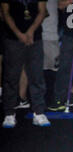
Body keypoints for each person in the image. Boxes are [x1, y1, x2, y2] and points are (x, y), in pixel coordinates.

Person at [1, 0, 50, 128]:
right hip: (13, 38)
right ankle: (9, 113)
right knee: (11, 77)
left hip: (34, 38)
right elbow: (5, 13)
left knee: (36, 75)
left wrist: (31, 31)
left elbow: (42, 11)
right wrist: (19, 34)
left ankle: (38, 112)